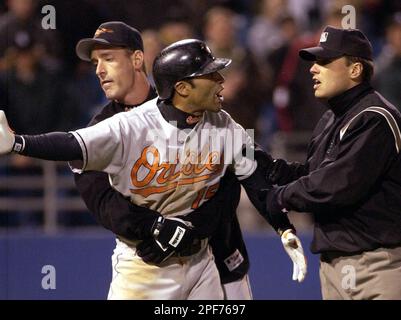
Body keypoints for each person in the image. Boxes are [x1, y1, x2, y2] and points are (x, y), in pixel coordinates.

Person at [0, 38, 307, 300]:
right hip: (146, 267)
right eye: (211, 75)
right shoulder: (130, 127)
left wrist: (283, 226)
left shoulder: (223, 123)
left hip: (203, 261)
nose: (221, 80)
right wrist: (17, 143)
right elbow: (70, 144)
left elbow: (259, 175)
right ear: (183, 88)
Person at [73, 21, 252, 299]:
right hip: (150, 266)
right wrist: (157, 229)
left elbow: (231, 180)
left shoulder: (188, 97)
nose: (99, 70)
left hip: (219, 258)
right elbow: (105, 204)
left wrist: (191, 229)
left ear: (137, 59)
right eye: (96, 62)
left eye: (108, 59)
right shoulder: (97, 134)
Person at [265, 26, 401, 299]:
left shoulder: (375, 117)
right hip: (333, 265)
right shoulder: (331, 118)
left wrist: (280, 197)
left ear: (355, 70)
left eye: (325, 62)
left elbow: (337, 184)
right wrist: (270, 168)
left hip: (377, 265)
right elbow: (313, 174)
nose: (314, 69)